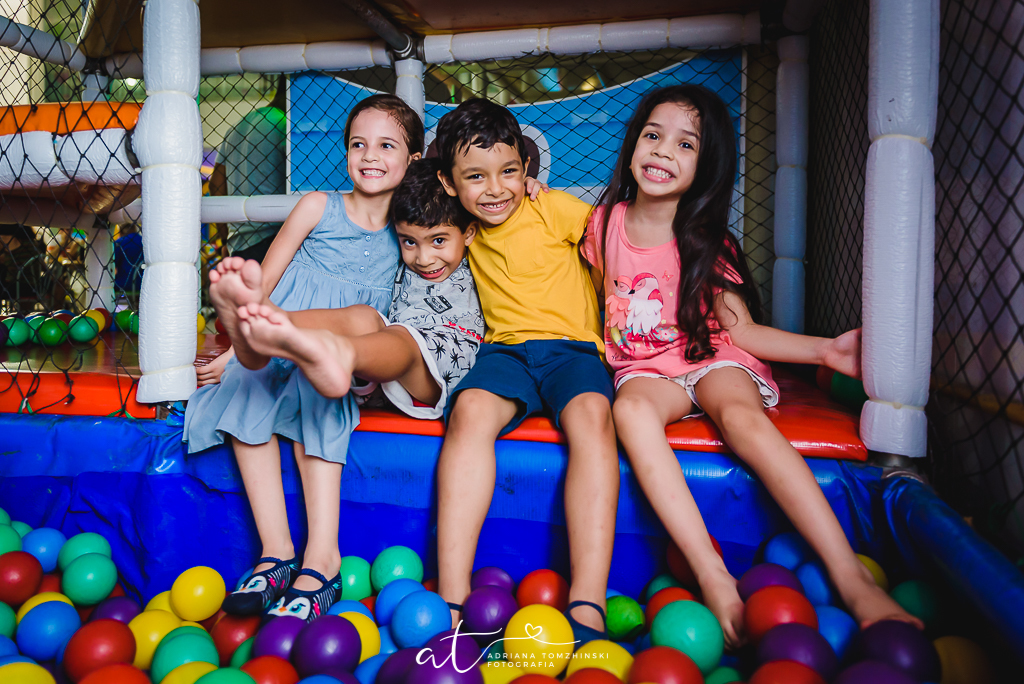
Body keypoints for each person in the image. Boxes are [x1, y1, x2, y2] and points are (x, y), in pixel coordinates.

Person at [581, 84, 920, 647]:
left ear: (705, 165)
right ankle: (713, 575)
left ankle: (850, 575)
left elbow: (740, 331)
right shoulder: (603, 224)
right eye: (652, 135)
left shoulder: (704, 240)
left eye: (685, 144)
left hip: (709, 355)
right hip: (643, 369)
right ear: (633, 144)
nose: (663, 151)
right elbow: (600, 297)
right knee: (632, 414)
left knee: (740, 417)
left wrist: (825, 350)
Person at [182, 94, 424, 622]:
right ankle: (276, 554)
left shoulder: (409, 223)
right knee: (248, 391)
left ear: (412, 160)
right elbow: (262, 282)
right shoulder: (318, 204)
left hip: (342, 350)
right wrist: (231, 352)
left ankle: (324, 558)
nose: (370, 155)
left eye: (387, 145)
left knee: (319, 389)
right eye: (358, 144)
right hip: (276, 328)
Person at [432, 99, 618, 643]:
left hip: (573, 351)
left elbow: (613, 242)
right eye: (476, 177)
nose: (496, 189)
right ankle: (451, 595)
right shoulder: (459, 227)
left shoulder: (550, 208)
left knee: (591, 415)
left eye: (509, 172)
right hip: (505, 353)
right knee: (467, 411)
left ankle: (588, 598)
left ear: (527, 169)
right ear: (450, 182)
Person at [221, 157, 485, 420]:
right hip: (383, 363)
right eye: (409, 242)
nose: (423, 258)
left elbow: (507, 204)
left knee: (404, 340)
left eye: (438, 241)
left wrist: (528, 184)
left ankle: (338, 354)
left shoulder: (481, 253)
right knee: (363, 315)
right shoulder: (397, 256)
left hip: (443, 363)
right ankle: (273, 325)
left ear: (469, 233)